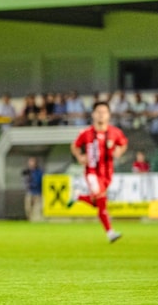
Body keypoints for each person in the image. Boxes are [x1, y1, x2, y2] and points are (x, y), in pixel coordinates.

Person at [68, 101, 128, 243]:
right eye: (98, 112)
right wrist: (80, 157)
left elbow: (123, 143)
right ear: (93, 114)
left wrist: (119, 150)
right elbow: (75, 146)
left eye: (104, 112)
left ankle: (79, 197)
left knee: (97, 202)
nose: (101, 115)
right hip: (92, 173)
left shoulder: (114, 132)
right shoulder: (87, 133)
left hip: (107, 173)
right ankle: (110, 232)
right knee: (101, 200)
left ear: (109, 115)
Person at [21, 156, 44, 221]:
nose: (31, 163)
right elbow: (25, 181)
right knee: (28, 209)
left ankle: (35, 221)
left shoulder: (39, 172)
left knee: (36, 209)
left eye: (32, 162)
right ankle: (29, 220)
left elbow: (38, 182)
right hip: (30, 193)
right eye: (30, 162)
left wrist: (32, 183)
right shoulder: (27, 172)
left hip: (37, 193)